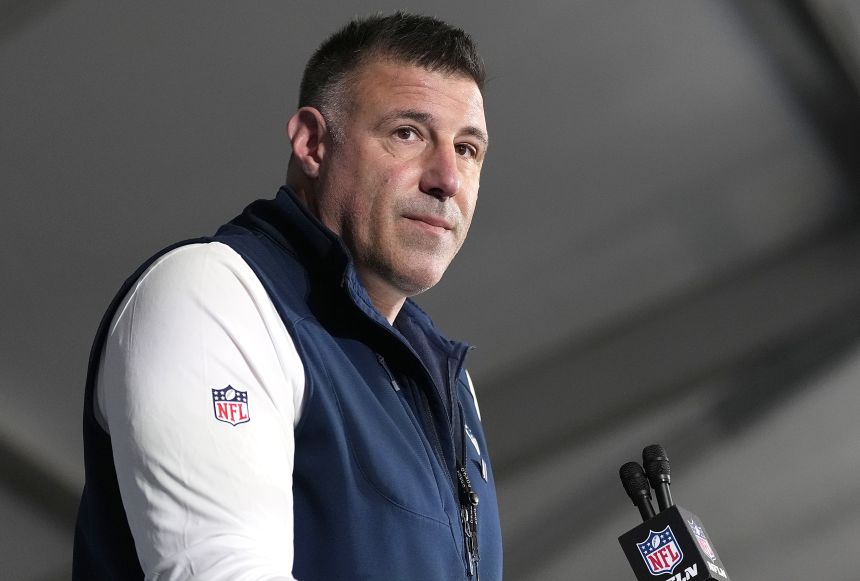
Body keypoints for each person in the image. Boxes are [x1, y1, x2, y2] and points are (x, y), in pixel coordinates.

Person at [73, 12, 503, 581]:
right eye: (408, 134)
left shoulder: (443, 377)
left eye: (468, 149)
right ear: (313, 143)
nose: (447, 177)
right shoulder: (215, 295)